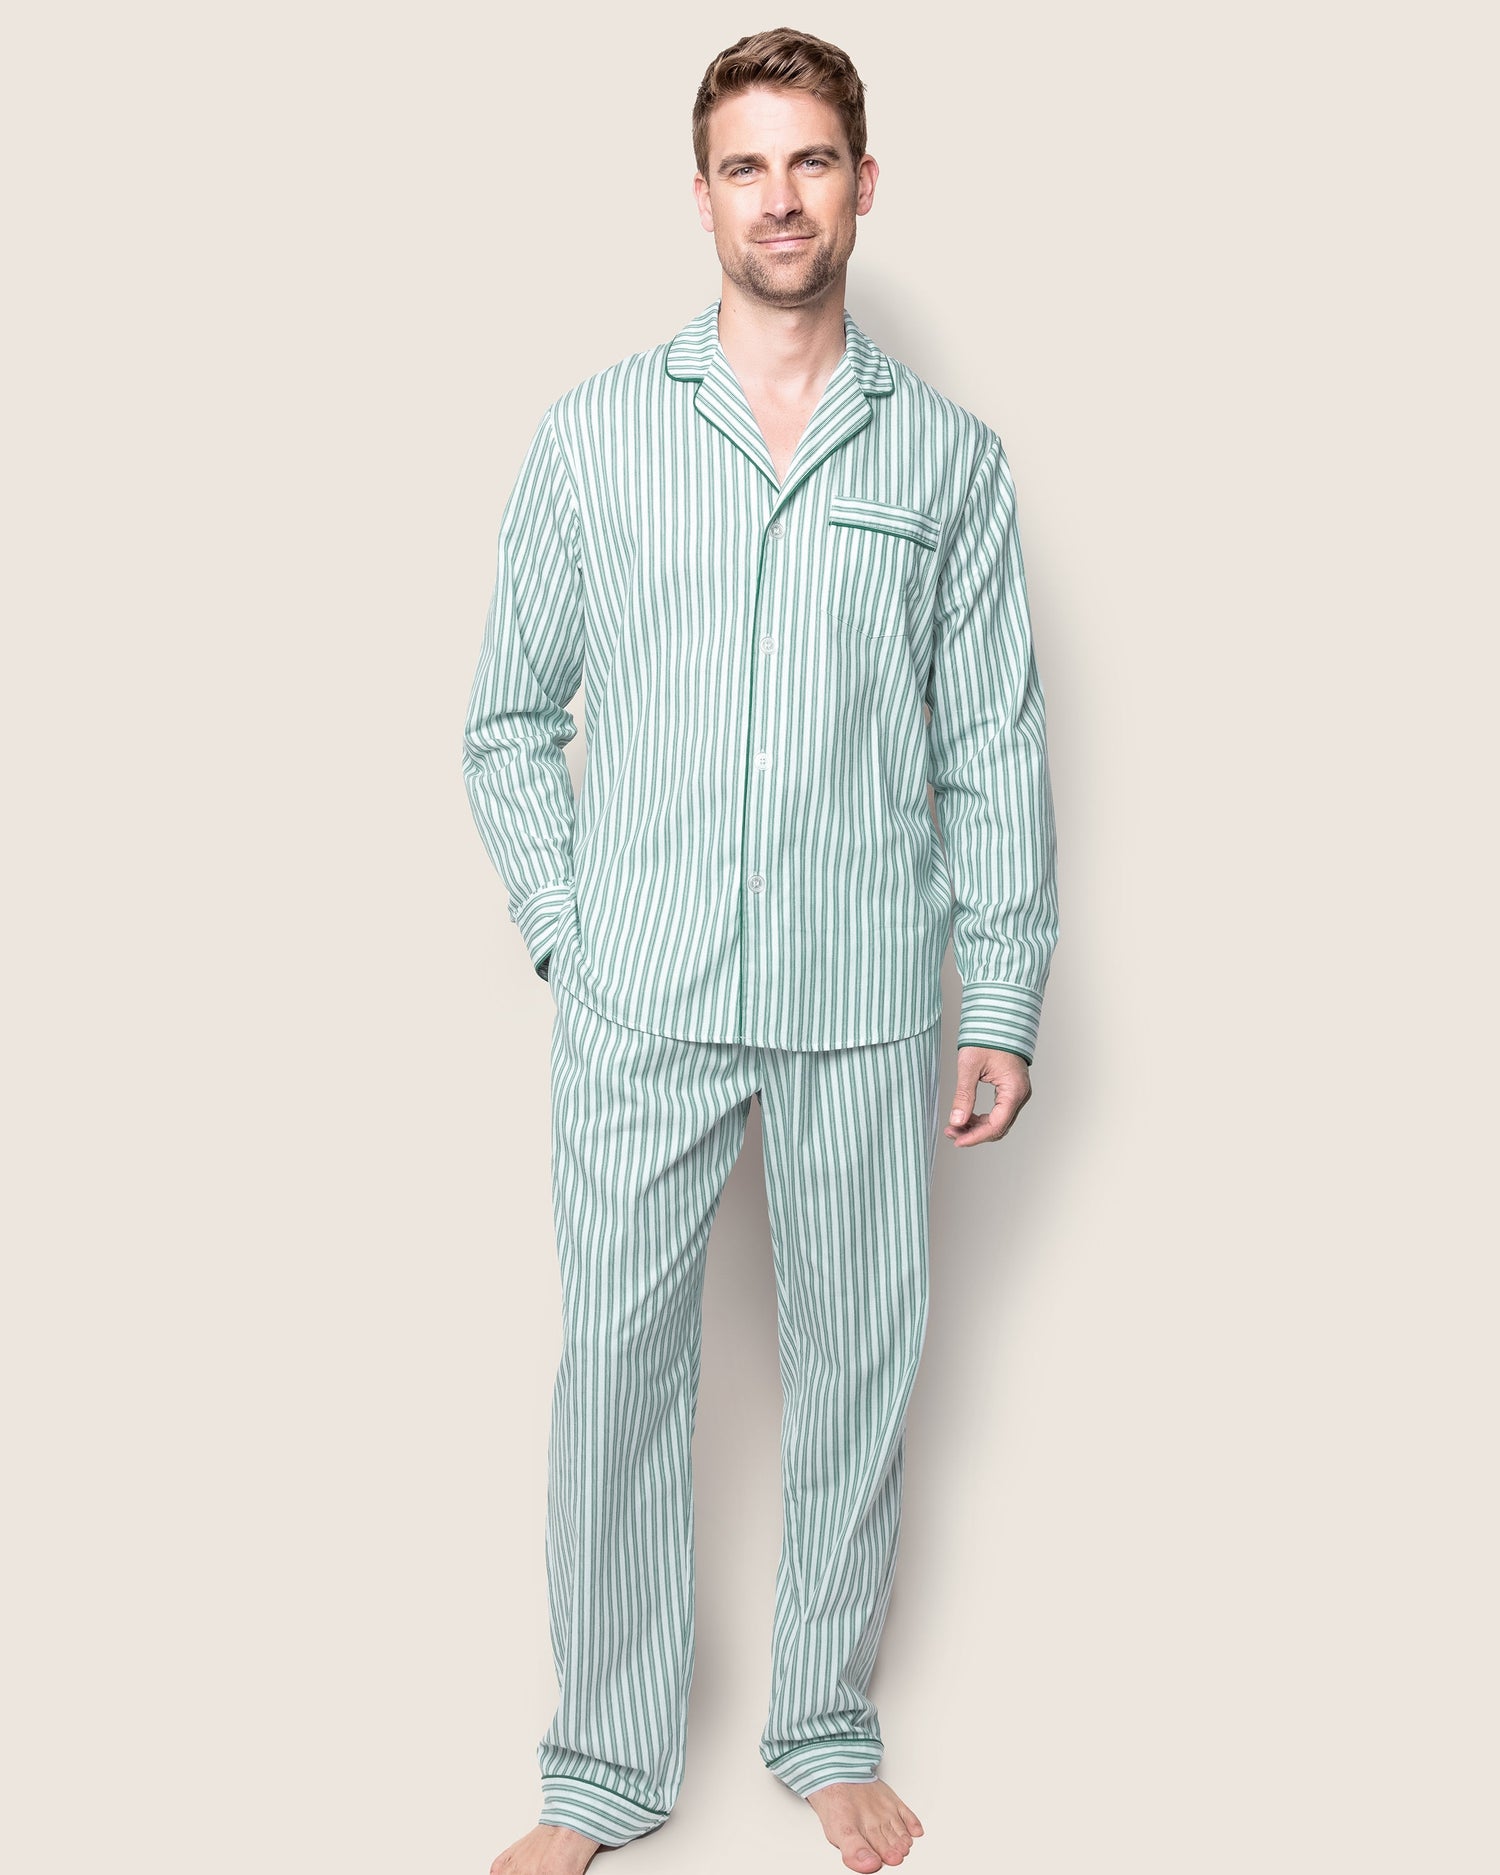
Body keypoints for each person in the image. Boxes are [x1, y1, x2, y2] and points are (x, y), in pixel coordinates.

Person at [462, 26, 1060, 1875]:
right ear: (703, 194)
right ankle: (597, 1773)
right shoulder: (593, 436)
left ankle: (823, 1726)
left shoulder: (947, 463)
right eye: (747, 165)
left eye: (811, 162)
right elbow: (506, 722)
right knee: (617, 1379)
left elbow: (995, 750)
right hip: (638, 999)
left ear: (864, 187)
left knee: (860, 1367)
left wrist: (1002, 994)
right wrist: (571, 939)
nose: (780, 197)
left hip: (865, 994)